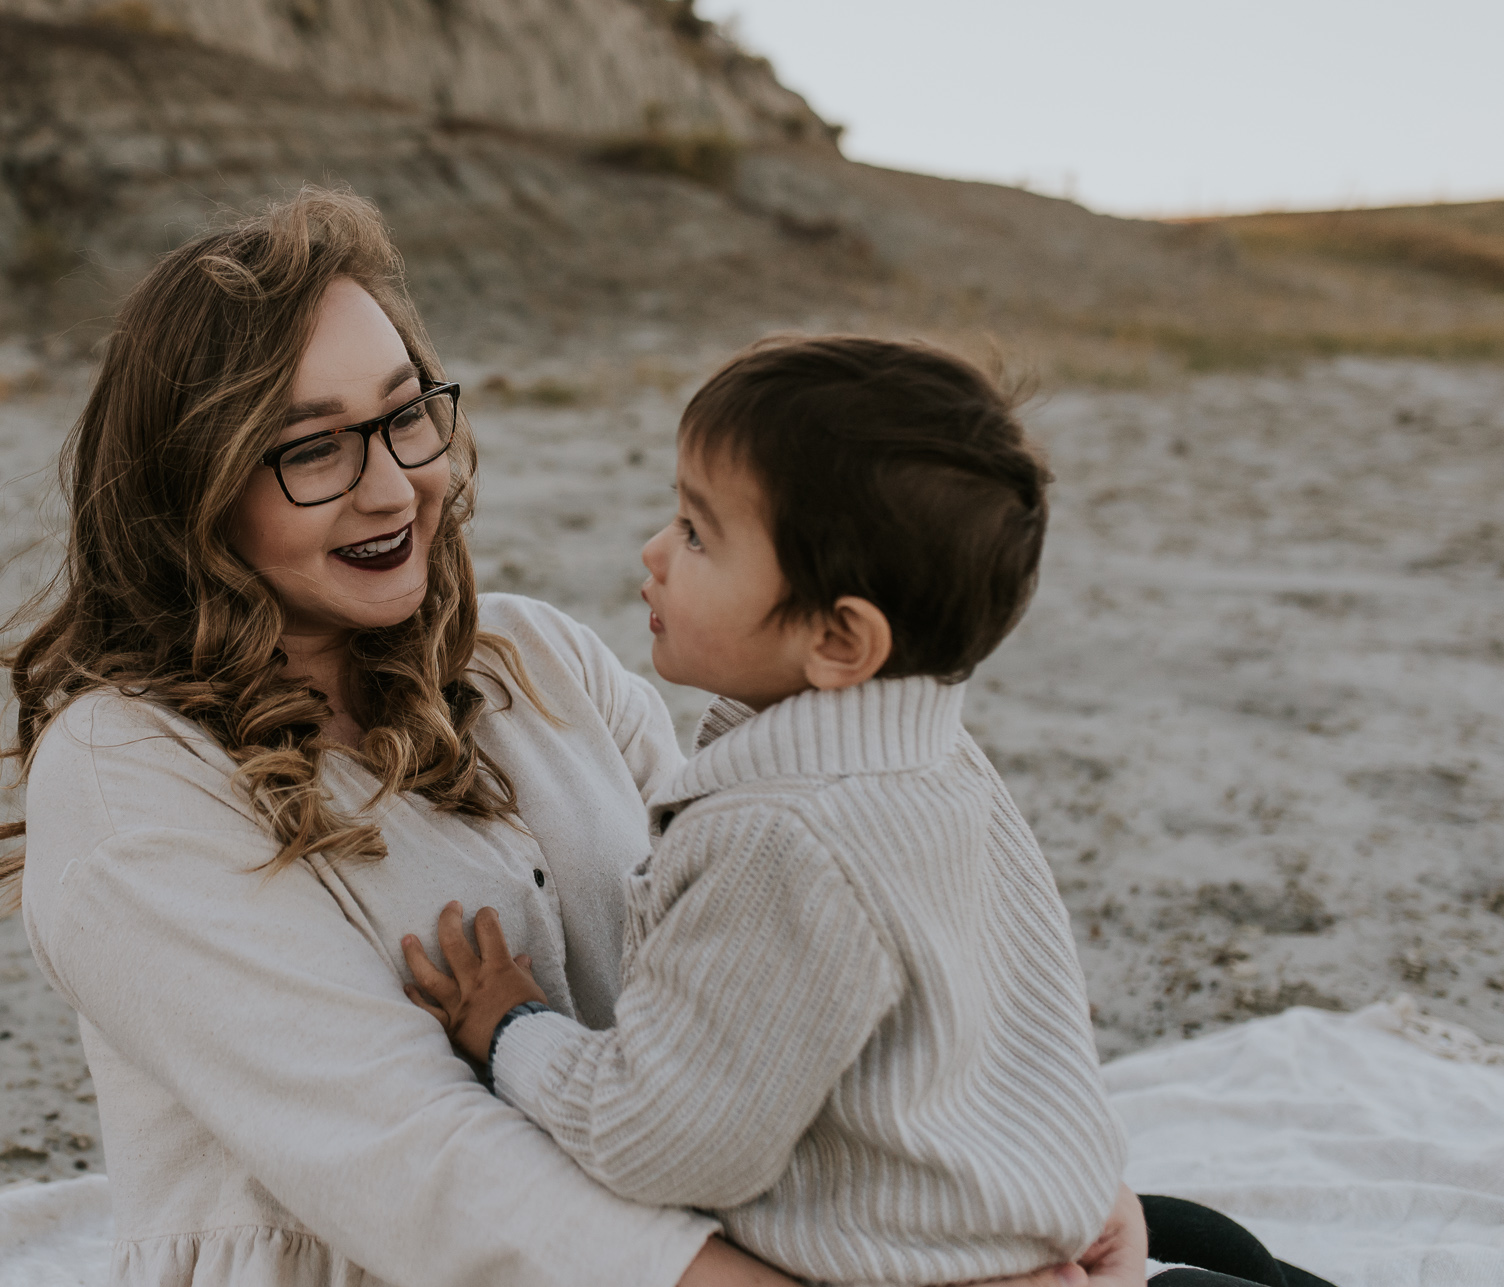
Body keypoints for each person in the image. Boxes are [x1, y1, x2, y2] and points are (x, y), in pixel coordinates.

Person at [0, 186, 1149, 1287]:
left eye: (402, 416)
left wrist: (1079, 1192)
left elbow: (763, 972)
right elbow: (412, 1155)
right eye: (313, 446)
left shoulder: (531, 660)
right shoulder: (128, 774)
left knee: (1196, 1249)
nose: (389, 489)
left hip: (683, 1215)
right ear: (193, 486)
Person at [404, 338, 1335, 1287]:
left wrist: (514, 1029)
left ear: (841, 637)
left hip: (919, 1263)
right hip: (1010, 1219)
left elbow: (664, 1140)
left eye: (696, 534)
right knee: (1211, 1247)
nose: (653, 550)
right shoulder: (932, 752)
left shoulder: (783, 840)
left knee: (1206, 1252)